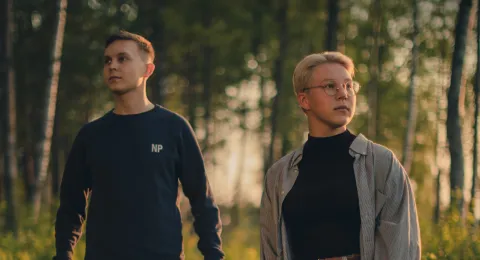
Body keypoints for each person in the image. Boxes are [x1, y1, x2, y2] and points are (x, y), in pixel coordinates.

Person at [53, 30, 224, 260]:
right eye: (107, 60)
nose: (112, 66)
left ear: (148, 69)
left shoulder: (174, 128)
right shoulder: (91, 135)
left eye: (122, 58)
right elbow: (71, 206)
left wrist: (213, 254)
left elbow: (202, 200)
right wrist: (64, 253)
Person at [260, 52, 421, 260]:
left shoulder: (381, 164)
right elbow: (270, 249)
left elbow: (402, 249)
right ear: (304, 100)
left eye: (348, 86)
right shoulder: (279, 175)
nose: (343, 94)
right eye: (330, 86)